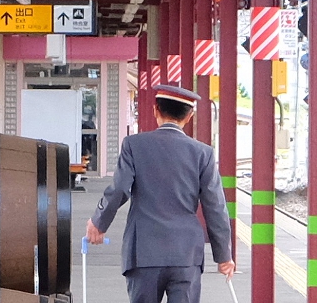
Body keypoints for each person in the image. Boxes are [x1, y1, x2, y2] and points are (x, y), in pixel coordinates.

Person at [87, 84, 235, 303]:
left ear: (155, 109)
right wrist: (223, 255)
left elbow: (119, 188)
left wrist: (99, 221)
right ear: (190, 115)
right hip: (186, 255)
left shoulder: (134, 145)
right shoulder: (203, 153)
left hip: (143, 251)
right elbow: (215, 206)